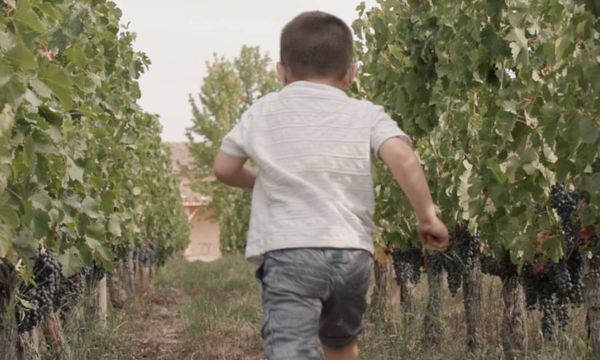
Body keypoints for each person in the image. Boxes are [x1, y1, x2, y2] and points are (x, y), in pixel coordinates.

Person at [213, 11, 449, 360]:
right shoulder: (366, 113)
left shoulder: (263, 111)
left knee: (291, 348)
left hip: (289, 251)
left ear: (282, 71)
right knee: (341, 343)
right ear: (351, 73)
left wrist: (259, 180)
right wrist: (428, 216)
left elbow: (224, 168)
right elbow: (403, 157)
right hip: (350, 254)